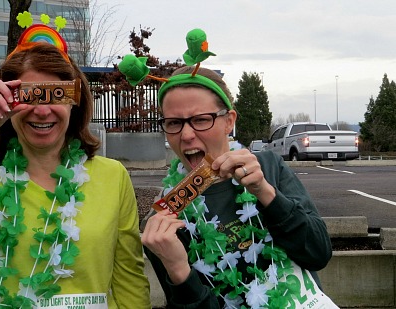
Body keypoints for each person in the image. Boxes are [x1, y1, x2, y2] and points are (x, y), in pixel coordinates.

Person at [0, 15, 151, 309]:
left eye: (55, 95)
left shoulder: (113, 176)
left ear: (75, 101)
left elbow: (129, 277)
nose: (42, 111)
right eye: (28, 97)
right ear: (6, 101)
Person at [120, 29, 335, 308]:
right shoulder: (164, 219)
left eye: (201, 119)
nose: (186, 135)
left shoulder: (268, 167)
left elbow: (318, 254)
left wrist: (266, 193)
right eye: (174, 122)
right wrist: (178, 270)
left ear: (228, 121)